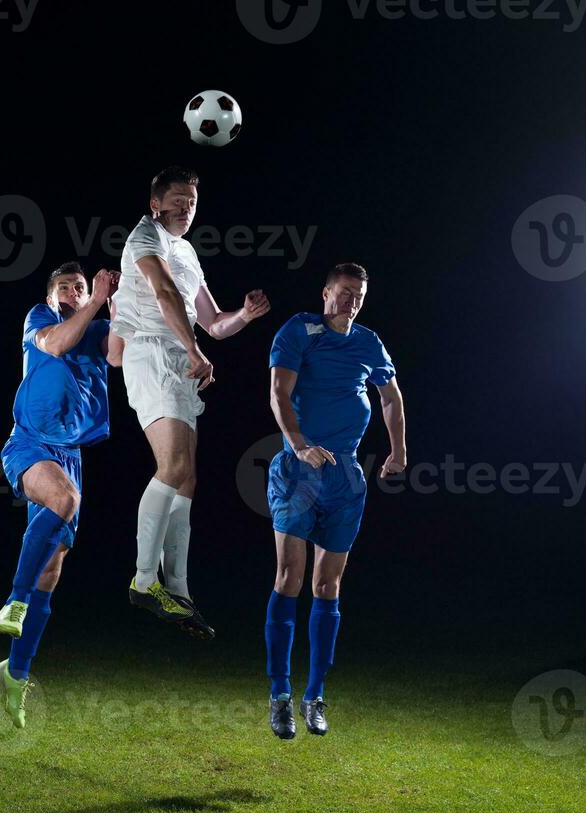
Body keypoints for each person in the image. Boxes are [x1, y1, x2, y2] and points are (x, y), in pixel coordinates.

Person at [111, 165, 270, 639]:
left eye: (192, 202)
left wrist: (243, 314)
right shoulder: (145, 237)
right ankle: (143, 581)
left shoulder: (186, 251)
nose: (186, 208)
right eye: (177, 200)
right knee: (174, 466)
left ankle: (178, 591)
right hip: (153, 353)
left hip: (179, 361)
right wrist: (196, 350)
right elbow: (162, 294)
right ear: (155, 204)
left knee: (187, 479)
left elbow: (214, 321)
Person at [265, 262, 407, 738]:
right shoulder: (299, 330)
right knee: (290, 577)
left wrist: (398, 449)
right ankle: (280, 696)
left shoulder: (369, 342)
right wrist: (300, 444)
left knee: (328, 587)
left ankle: (315, 696)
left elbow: (390, 397)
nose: (352, 301)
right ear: (326, 292)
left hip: (345, 475)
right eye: (345, 292)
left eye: (359, 295)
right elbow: (278, 393)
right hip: (299, 470)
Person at [0, 261, 120, 728]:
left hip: (70, 454)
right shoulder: (40, 320)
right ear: (51, 295)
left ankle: (16, 673)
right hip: (29, 442)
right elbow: (60, 343)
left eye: (79, 286)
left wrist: (121, 303)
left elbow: (122, 355)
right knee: (66, 500)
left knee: (52, 568)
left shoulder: (99, 325)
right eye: (64, 286)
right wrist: (93, 302)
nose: (73, 290)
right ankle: (14, 599)